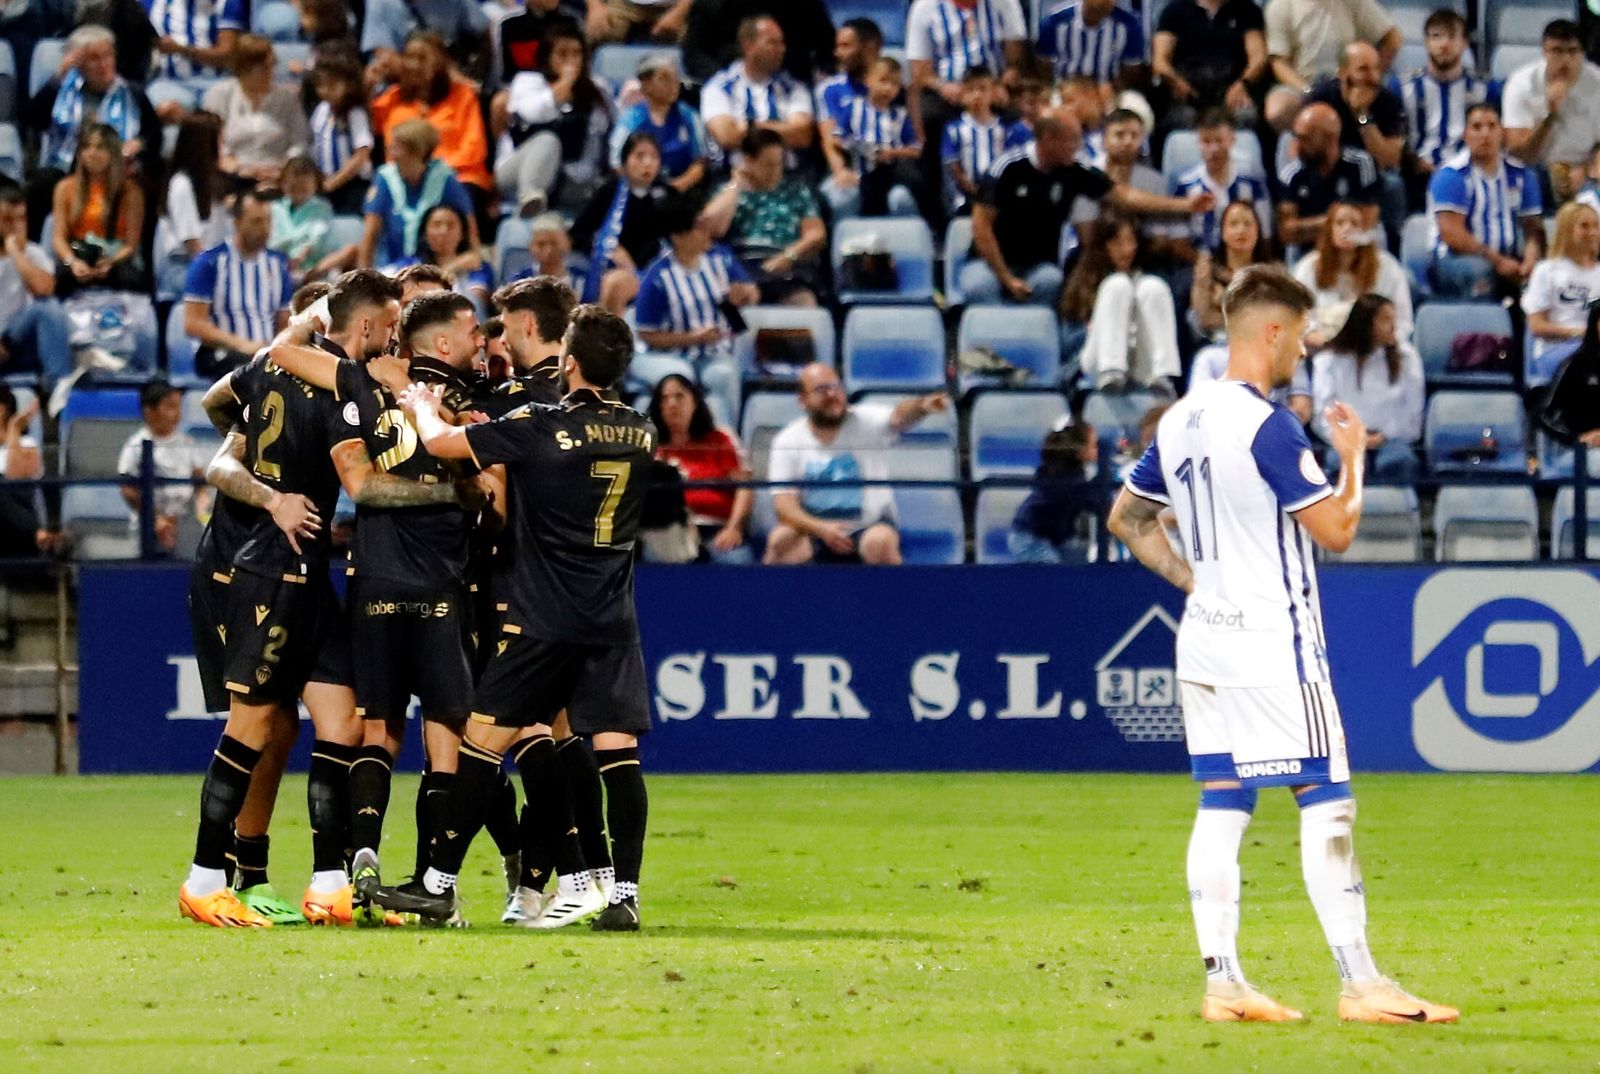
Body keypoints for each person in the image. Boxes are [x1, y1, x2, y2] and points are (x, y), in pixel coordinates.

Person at [1108, 263, 1458, 1026]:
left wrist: (1192, 582)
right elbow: (1336, 529)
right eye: (1299, 335)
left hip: (1204, 642)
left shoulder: (1178, 421)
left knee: (1223, 804)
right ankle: (1362, 984)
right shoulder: (1268, 426)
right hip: (1273, 642)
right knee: (1326, 799)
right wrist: (1355, 457)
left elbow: (1128, 520)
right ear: (1271, 332)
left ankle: (1225, 982)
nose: (1303, 349)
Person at [375, 305, 655, 933]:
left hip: (543, 619)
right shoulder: (641, 431)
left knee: (481, 744)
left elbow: (444, 445)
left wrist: (420, 403)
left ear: (570, 363)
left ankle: (438, 885)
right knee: (618, 754)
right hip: (612, 618)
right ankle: (625, 896)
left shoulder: (538, 424)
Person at [264, 282, 502, 920]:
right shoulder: (462, 404)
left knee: (378, 727)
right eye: (475, 333)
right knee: (451, 732)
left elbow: (281, 356)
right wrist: (461, 486)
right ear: (444, 343)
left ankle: (363, 854)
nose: (483, 342)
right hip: (443, 585)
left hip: (371, 580)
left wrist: (310, 322)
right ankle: (434, 881)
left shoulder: (356, 382)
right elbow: (490, 500)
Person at [178, 274, 379, 929]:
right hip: (267, 568)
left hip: (307, 569)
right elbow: (353, 476)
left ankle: (327, 884)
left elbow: (231, 413)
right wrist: (278, 495)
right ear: (365, 328)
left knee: (341, 720)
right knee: (257, 724)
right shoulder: (340, 390)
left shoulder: (268, 371)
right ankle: (207, 878)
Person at [960, 108, 1214, 308]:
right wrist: (1006, 277)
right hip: (990, 263)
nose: (1079, 146)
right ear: (1048, 140)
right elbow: (981, 226)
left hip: (1038, 265)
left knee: (1051, 282)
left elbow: (1122, 195)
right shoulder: (1006, 168)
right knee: (980, 287)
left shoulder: (1074, 168)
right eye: (1072, 140)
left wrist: (1184, 204)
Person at [764, 363, 950, 567]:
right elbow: (784, 505)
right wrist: (820, 528)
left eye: (836, 387)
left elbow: (899, 417)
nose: (832, 395)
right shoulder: (787, 440)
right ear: (802, 400)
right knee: (779, 542)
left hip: (868, 526)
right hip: (814, 528)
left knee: (880, 543)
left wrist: (921, 407)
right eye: (821, 390)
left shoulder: (866, 419)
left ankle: (895, 598)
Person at [634, 196, 758, 422]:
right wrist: (692, 338)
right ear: (678, 237)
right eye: (699, 227)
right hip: (670, 355)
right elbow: (647, 334)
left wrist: (746, 295)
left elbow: (752, 291)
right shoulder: (658, 278)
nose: (707, 232)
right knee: (681, 377)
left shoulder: (721, 259)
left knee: (725, 374)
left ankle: (727, 438)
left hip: (714, 353)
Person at [28, 25, 158, 240]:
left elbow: (154, 133)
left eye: (108, 55)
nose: (104, 64)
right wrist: (59, 77)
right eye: (94, 59)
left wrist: (140, 143)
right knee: (39, 186)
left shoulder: (131, 92)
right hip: (67, 168)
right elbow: (30, 118)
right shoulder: (63, 91)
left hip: (118, 170)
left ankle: (139, 263)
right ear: (79, 64)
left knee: (144, 190)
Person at [492, 21, 614, 218]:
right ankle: (530, 198)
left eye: (577, 53)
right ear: (547, 57)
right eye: (563, 54)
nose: (571, 61)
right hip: (516, 169)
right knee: (548, 140)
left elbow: (611, 125)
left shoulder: (597, 90)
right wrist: (566, 81)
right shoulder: (527, 81)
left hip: (572, 177)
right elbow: (535, 112)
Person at [906, 0, 1028, 196]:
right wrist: (943, 86)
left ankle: (1013, 192)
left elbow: (1015, 61)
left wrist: (1001, 85)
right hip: (947, 88)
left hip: (992, 84)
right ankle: (940, 205)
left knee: (1017, 118)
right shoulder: (925, 8)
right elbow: (919, 71)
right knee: (931, 121)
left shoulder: (1006, 4)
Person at [1427, 103, 1545, 301]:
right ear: (1465, 134)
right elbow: (1452, 234)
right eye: (1477, 127)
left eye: (1492, 126)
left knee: (1546, 273)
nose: (1485, 134)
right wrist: (1498, 261)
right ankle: (1480, 331)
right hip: (1454, 259)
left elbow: (1532, 227)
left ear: (1502, 132)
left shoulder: (1522, 175)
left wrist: (1531, 259)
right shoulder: (1451, 175)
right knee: (1480, 272)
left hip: (1509, 257)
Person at [701, 128, 828, 307]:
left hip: (787, 265)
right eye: (769, 165)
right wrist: (735, 185)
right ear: (749, 160)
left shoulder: (797, 191)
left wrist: (788, 256)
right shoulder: (726, 190)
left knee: (804, 302)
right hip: (741, 266)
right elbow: (711, 229)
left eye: (780, 163)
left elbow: (816, 235)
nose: (776, 171)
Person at [373, 31, 494, 217]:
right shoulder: (392, 98)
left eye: (422, 58)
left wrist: (431, 173)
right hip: (405, 180)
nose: (414, 65)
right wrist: (368, 86)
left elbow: (474, 149)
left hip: (458, 177)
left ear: (439, 63)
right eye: (409, 57)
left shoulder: (462, 96)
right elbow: (371, 130)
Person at [1061, 213, 1181, 392]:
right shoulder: (1083, 283)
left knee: (1154, 287)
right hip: (1096, 362)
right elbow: (1069, 343)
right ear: (1103, 245)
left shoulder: (1144, 280)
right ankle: (1111, 372)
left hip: (1139, 363)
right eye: (1117, 242)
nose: (1126, 249)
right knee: (1118, 284)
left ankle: (1162, 375)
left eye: (1131, 241)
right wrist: (1092, 328)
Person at [1310, 294, 1423, 483]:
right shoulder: (1328, 361)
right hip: (1345, 438)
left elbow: (1413, 410)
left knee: (1399, 462)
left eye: (1393, 319)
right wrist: (1352, 437)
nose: (1393, 327)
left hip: (1391, 438)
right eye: (1386, 320)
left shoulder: (1406, 357)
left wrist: (1385, 435)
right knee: (1343, 463)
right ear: (1365, 324)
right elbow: (1323, 414)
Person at [184, 190, 292, 377]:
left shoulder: (278, 265)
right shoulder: (210, 263)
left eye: (268, 220)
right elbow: (193, 323)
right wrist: (242, 345)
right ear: (237, 222)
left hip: (266, 354)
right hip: (221, 354)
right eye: (257, 221)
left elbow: (284, 322)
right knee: (250, 372)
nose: (265, 229)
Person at [649, 374, 754, 563]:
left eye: (679, 396)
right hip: (669, 532)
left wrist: (734, 528)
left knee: (737, 561)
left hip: (717, 527)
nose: (672, 404)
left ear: (695, 402)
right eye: (665, 399)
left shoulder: (721, 438)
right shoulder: (649, 447)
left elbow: (744, 487)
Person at [1391, 9, 1499, 193]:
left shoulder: (1485, 88)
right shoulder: (1402, 87)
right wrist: (1412, 160)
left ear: (1464, 43)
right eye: (1436, 36)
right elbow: (1394, 135)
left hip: (1469, 172)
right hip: (1416, 174)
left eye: (1451, 37)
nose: (1444, 44)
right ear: (1426, 43)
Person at [570, 132, 670, 316]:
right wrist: (607, 248)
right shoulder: (609, 191)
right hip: (608, 269)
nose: (647, 163)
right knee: (613, 282)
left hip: (653, 272)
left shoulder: (666, 194)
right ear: (625, 162)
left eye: (654, 157)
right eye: (640, 156)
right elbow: (577, 234)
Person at [360, 119, 481, 269]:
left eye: (398, 148)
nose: (392, 154)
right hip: (391, 269)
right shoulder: (384, 179)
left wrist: (452, 268)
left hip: (434, 270)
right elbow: (369, 236)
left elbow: (472, 239)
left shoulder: (445, 179)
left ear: (417, 150)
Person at [1264, 0, 1400, 132]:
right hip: (1303, 85)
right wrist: (1309, 92)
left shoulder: (1354, 2)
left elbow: (1392, 39)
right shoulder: (1280, 6)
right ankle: (1300, 147)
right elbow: (1279, 62)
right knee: (1278, 109)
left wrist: (1371, 77)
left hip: (1349, 82)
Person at [1502, 19, 1600, 202]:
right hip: (1536, 170)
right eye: (1557, 51)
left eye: (1572, 51)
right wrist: (1550, 115)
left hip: (1583, 168)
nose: (1565, 60)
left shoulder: (1597, 83)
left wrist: (1586, 170)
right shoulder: (1521, 84)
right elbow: (1518, 153)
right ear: (1544, 51)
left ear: (1582, 53)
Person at [820, 55, 926, 220]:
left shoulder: (900, 116)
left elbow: (915, 150)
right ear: (868, 80)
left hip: (891, 178)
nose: (888, 88)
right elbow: (836, 139)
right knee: (842, 197)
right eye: (883, 81)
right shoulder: (853, 109)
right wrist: (859, 147)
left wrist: (891, 154)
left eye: (894, 84)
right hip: (858, 176)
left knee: (901, 198)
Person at [1293, 201, 1412, 345]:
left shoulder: (1387, 267)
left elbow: (1403, 321)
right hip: (1322, 349)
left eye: (1355, 224)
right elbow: (1297, 318)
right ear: (1329, 229)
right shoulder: (1308, 267)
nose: (1347, 229)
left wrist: (1382, 341)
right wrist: (1320, 340)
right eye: (1340, 223)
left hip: (1375, 349)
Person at [50, 123, 146, 296]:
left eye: (100, 148)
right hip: (79, 254)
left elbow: (131, 245)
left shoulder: (130, 192)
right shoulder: (64, 188)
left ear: (113, 153)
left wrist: (110, 261)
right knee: (60, 279)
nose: (91, 153)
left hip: (116, 257)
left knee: (130, 279)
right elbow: (59, 238)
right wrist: (73, 262)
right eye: (86, 147)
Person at [116, 378, 208, 555]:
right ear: (149, 411)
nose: (177, 414)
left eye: (178, 407)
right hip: (148, 525)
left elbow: (199, 480)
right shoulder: (135, 445)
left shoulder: (187, 443)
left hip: (184, 523)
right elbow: (128, 489)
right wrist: (155, 518)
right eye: (169, 407)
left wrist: (202, 502)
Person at [202, 35, 310, 187]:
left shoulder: (288, 99)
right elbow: (212, 145)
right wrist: (239, 168)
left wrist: (284, 168)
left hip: (278, 177)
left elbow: (300, 143)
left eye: (273, 65)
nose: (271, 72)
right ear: (245, 67)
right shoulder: (219, 95)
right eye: (265, 67)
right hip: (233, 177)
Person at [699, 16, 815, 156]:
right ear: (749, 46)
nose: (781, 49)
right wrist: (783, 129)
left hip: (790, 175)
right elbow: (726, 136)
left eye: (782, 43)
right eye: (772, 43)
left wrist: (748, 127)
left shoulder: (793, 87)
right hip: (736, 174)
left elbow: (802, 136)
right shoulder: (718, 88)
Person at [1274, 102, 1381, 250]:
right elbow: (1287, 233)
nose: (1296, 145)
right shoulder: (1291, 175)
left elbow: (1367, 222)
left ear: (1330, 139)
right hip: (1309, 251)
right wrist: (1338, 221)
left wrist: (1308, 226)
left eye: (1305, 139)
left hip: (1355, 248)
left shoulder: (1360, 164)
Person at [1152, 0, 1267, 129]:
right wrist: (1175, 81)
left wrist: (1243, 84)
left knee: (1246, 116)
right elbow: (1160, 61)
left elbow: (1258, 58)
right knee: (1179, 119)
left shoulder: (1248, 11)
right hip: (1187, 91)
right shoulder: (1174, 11)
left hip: (1233, 89)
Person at [1008, 416, 1107, 563]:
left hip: (1052, 538)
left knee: (1079, 560)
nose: (1097, 450)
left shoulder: (1070, 475)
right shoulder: (1068, 481)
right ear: (1080, 450)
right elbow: (1096, 502)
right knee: (1053, 572)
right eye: (1094, 446)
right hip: (1030, 538)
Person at [1171, 109, 1273, 250]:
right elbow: (1178, 241)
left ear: (1232, 140)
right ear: (1198, 142)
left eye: (1219, 141)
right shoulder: (1185, 184)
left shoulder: (1252, 181)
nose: (1213, 149)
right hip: (1199, 261)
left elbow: (1265, 235)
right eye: (1206, 141)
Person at [607, 54, 709, 193]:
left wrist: (676, 187)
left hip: (682, 193)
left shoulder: (689, 116)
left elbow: (700, 160)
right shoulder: (631, 119)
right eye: (664, 78)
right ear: (646, 85)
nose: (674, 83)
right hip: (639, 193)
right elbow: (617, 164)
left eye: (675, 77)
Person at [1524, 201, 1600, 387]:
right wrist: (1582, 333)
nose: (1592, 232)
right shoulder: (1547, 271)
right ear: (1566, 230)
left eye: (1596, 226)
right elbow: (1536, 326)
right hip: (1555, 350)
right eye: (1584, 226)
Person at [0, 184, 71, 385]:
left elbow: (44, 289)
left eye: (21, 219)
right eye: (7, 220)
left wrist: (15, 252)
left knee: (49, 309)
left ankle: (60, 391)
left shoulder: (34, 253)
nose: (16, 226)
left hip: (17, 342)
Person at [158, 111, 230, 296]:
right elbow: (192, 244)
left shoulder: (213, 182)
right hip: (183, 267)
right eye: (220, 139)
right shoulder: (181, 185)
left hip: (209, 261)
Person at [681, 0, 835, 85]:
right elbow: (694, 55)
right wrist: (727, 81)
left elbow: (827, 45)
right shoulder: (710, 4)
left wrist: (821, 78)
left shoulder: (802, 3)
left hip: (792, 87)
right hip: (728, 91)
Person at [387, 204, 495, 317]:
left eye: (451, 225)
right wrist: (451, 267)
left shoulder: (477, 267)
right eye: (436, 225)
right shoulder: (409, 264)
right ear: (425, 233)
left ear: (463, 233)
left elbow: (475, 301)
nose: (443, 231)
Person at [309, 56, 376, 216]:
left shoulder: (355, 113)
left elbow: (361, 155)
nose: (325, 91)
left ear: (348, 85)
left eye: (331, 86)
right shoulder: (321, 111)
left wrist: (335, 181)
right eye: (321, 85)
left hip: (353, 185)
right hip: (325, 182)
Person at [940, 65, 1008, 217]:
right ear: (962, 94)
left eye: (983, 89)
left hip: (999, 195)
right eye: (971, 90)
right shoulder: (954, 129)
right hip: (966, 198)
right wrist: (973, 189)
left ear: (992, 93)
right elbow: (953, 167)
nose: (977, 95)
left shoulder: (1004, 129)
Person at [1035, 0, 1146, 90]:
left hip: (1107, 90)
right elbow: (1044, 66)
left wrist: (1111, 93)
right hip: (1063, 88)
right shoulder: (1055, 21)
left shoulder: (1130, 25)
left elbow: (1130, 71)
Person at [0, 385, 50, 559]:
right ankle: (37, 534)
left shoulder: (27, 444)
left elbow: (15, 476)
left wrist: (14, 428)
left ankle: (34, 535)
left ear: (5, 409)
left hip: (16, 531)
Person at [269, 157, 337, 281]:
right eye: (294, 186)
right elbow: (272, 241)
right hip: (277, 265)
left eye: (304, 187)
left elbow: (318, 236)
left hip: (311, 267)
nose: (298, 191)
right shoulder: (275, 208)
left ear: (315, 184)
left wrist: (299, 257)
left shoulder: (322, 207)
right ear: (283, 183)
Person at [817, 17, 884, 137]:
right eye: (837, 46)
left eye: (845, 46)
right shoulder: (829, 89)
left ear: (870, 48)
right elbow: (831, 141)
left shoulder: (897, 91)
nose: (837, 53)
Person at [148, 0, 243, 79]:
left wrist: (181, 50)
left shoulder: (225, 3)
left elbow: (227, 56)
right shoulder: (154, 3)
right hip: (169, 82)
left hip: (217, 81)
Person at [514, 211, 585, 294]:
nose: (548, 250)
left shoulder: (583, 280)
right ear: (530, 246)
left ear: (568, 244)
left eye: (554, 244)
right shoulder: (520, 282)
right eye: (541, 244)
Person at [586, 0, 690, 44]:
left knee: (693, 40)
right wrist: (595, 6)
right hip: (624, 5)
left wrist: (679, 13)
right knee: (596, 32)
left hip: (674, 6)